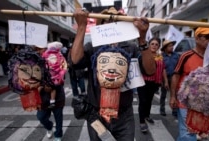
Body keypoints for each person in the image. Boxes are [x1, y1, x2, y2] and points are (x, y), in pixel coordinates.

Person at [70, 7, 155, 141]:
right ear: (100, 26)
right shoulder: (93, 47)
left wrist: (142, 39)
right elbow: (75, 61)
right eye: (106, 21)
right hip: (97, 114)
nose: (111, 25)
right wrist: (81, 27)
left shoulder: (131, 47)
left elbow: (150, 70)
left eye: (116, 21)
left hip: (124, 114)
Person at [169, 27, 209, 141]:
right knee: (188, 134)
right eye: (207, 37)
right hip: (185, 101)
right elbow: (176, 75)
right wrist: (173, 96)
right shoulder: (186, 55)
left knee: (191, 133)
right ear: (197, 38)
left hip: (203, 103)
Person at [34, 44, 66, 141]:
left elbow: (62, 76)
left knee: (58, 117)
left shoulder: (58, 58)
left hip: (58, 95)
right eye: (38, 49)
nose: (40, 51)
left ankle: (58, 135)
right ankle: (49, 127)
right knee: (41, 116)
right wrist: (43, 86)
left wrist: (53, 84)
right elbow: (33, 78)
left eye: (41, 49)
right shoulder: (36, 62)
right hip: (43, 97)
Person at [137, 37, 168, 133]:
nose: (154, 46)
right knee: (143, 101)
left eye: (156, 44)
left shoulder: (160, 57)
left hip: (154, 83)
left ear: (159, 46)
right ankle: (142, 122)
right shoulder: (143, 55)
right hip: (143, 82)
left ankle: (147, 116)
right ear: (149, 45)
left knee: (149, 100)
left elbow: (163, 69)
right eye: (152, 44)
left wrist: (165, 81)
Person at [42, 42, 67, 108]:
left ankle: (51, 101)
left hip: (48, 76)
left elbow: (43, 60)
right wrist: (61, 74)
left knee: (51, 87)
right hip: (56, 77)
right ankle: (52, 101)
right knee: (53, 88)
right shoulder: (60, 55)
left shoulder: (45, 54)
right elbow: (64, 66)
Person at [160, 40, 179, 117]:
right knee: (163, 94)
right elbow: (161, 69)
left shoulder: (176, 55)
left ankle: (174, 110)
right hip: (164, 77)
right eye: (170, 46)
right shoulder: (161, 56)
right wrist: (165, 81)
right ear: (165, 48)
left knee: (174, 94)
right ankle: (162, 109)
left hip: (174, 77)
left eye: (172, 45)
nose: (172, 47)